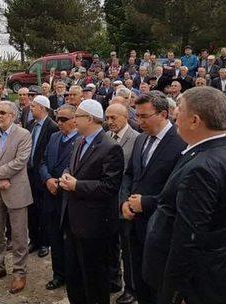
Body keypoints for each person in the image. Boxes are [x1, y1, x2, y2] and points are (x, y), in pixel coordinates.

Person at [142, 86, 226, 304]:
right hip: (212, 270)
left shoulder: (202, 167)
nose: (174, 115)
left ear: (195, 120)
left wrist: (173, 293)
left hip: (195, 284)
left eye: (179, 110)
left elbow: (188, 237)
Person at [120, 91, 185, 304]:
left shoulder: (181, 143)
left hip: (161, 227)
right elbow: (129, 175)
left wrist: (146, 203)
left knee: (161, 286)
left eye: (144, 116)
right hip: (134, 223)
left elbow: (180, 190)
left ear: (164, 114)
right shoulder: (140, 140)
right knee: (140, 281)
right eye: (137, 115)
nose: (139, 121)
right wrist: (124, 202)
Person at [60, 99, 125, 304]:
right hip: (72, 220)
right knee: (74, 275)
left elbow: (109, 187)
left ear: (89, 118)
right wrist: (66, 175)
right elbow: (74, 169)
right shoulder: (79, 141)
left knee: (94, 279)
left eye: (77, 116)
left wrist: (77, 185)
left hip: (94, 226)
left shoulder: (110, 147)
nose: (73, 120)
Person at [0, 100, 32, 294]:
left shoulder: (24, 135)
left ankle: (19, 272)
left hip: (16, 190)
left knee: (19, 235)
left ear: (13, 116)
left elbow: (20, 162)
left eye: (3, 112)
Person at [39, 104, 79, 291]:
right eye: (58, 118)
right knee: (54, 238)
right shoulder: (54, 137)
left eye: (64, 119)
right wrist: (47, 179)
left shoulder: (81, 141)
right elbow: (43, 161)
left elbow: (76, 167)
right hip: (51, 195)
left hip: (69, 198)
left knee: (70, 241)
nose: (59, 123)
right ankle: (58, 274)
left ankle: (73, 276)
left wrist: (60, 181)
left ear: (74, 120)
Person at [105, 102, 141, 303]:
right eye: (107, 118)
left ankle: (132, 288)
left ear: (125, 117)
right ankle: (113, 280)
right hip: (107, 201)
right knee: (110, 244)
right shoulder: (106, 137)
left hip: (125, 202)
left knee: (127, 249)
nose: (109, 122)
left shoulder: (136, 139)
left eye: (113, 118)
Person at [26, 95, 58, 258]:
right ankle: (34, 240)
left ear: (43, 108)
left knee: (44, 209)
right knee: (31, 208)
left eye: (34, 106)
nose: (31, 109)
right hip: (29, 173)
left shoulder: (52, 126)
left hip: (43, 174)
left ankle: (45, 242)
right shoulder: (31, 124)